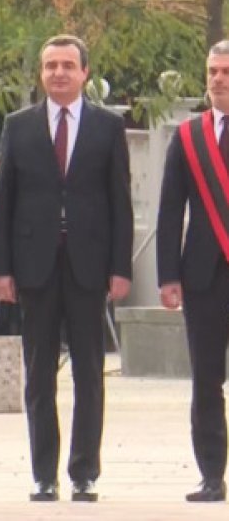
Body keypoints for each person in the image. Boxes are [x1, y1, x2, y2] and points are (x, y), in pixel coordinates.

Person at [0, 34, 133, 503]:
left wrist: (120, 267)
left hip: (90, 266)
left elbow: (120, 202)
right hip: (34, 266)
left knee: (90, 372)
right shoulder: (19, 126)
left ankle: (84, 472)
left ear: (84, 73)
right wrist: (2, 269)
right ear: (41, 73)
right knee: (39, 373)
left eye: (68, 65)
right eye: (50, 65)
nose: (58, 73)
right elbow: (4, 201)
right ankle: (43, 474)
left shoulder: (108, 128)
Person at [156, 39, 229, 502]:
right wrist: (168, 276)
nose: (218, 79)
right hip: (203, 276)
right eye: (213, 71)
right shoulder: (188, 136)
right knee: (206, 379)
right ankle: (211, 475)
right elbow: (169, 211)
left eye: (226, 71)